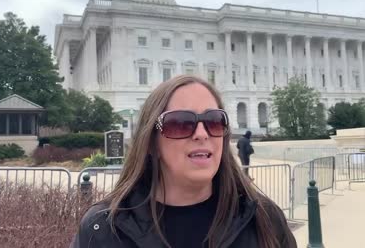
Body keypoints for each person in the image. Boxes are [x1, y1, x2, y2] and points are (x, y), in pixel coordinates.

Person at [71, 75, 297, 248]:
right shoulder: (103, 230)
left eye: (214, 121)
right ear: (151, 143)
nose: (202, 133)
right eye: (180, 123)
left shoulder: (263, 218)